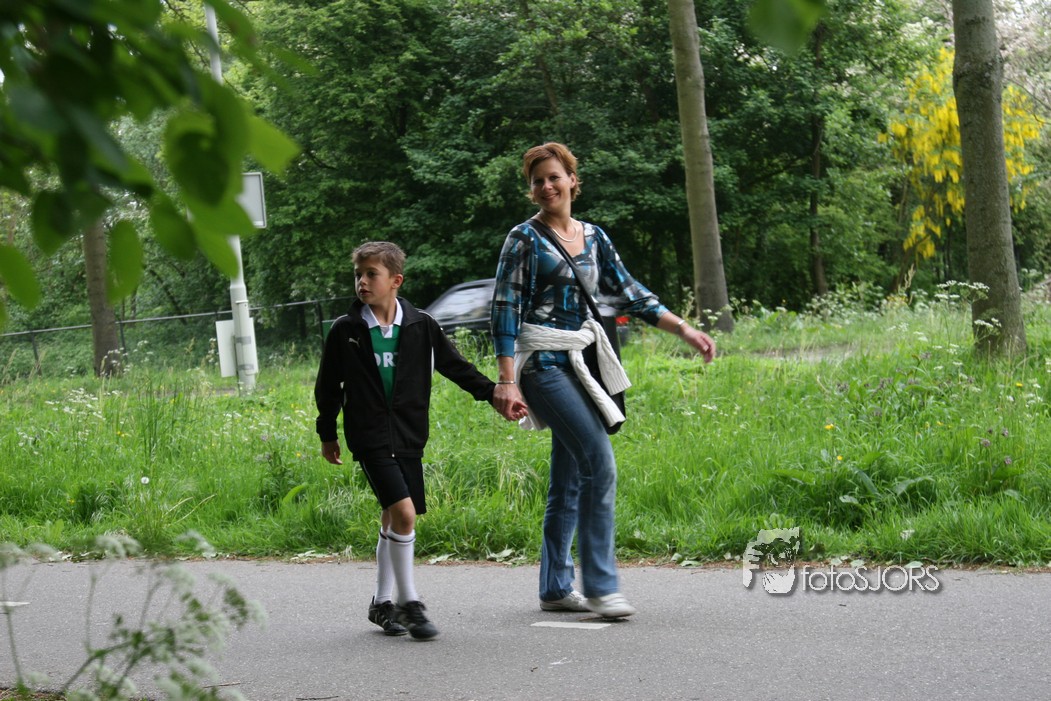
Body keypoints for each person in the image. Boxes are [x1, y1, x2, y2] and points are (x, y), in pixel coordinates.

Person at [490, 143, 716, 618]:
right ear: (531, 190)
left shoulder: (594, 237)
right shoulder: (523, 238)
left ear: (573, 180)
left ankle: (555, 588)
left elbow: (630, 292)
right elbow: (505, 308)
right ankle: (601, 585)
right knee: (599, 462)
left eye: (554, 177)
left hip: (582, 362)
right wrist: (507, 380)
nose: (546, 186)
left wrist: (684, 329)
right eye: (537, 180)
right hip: (542, 365)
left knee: (570, 476)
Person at [315, 241, 527, 640]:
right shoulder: (346, 330)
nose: (362, 282)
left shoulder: (421, 325)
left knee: (391, 516)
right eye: (358, 275)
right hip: (369, 436)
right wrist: (327, 432)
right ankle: (410, 604)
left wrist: (494, 394)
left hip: (409, 435)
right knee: (405, 514)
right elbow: (328, 387)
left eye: (371, 274)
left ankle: (381, 604)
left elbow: (456, 367)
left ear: (396, 280)